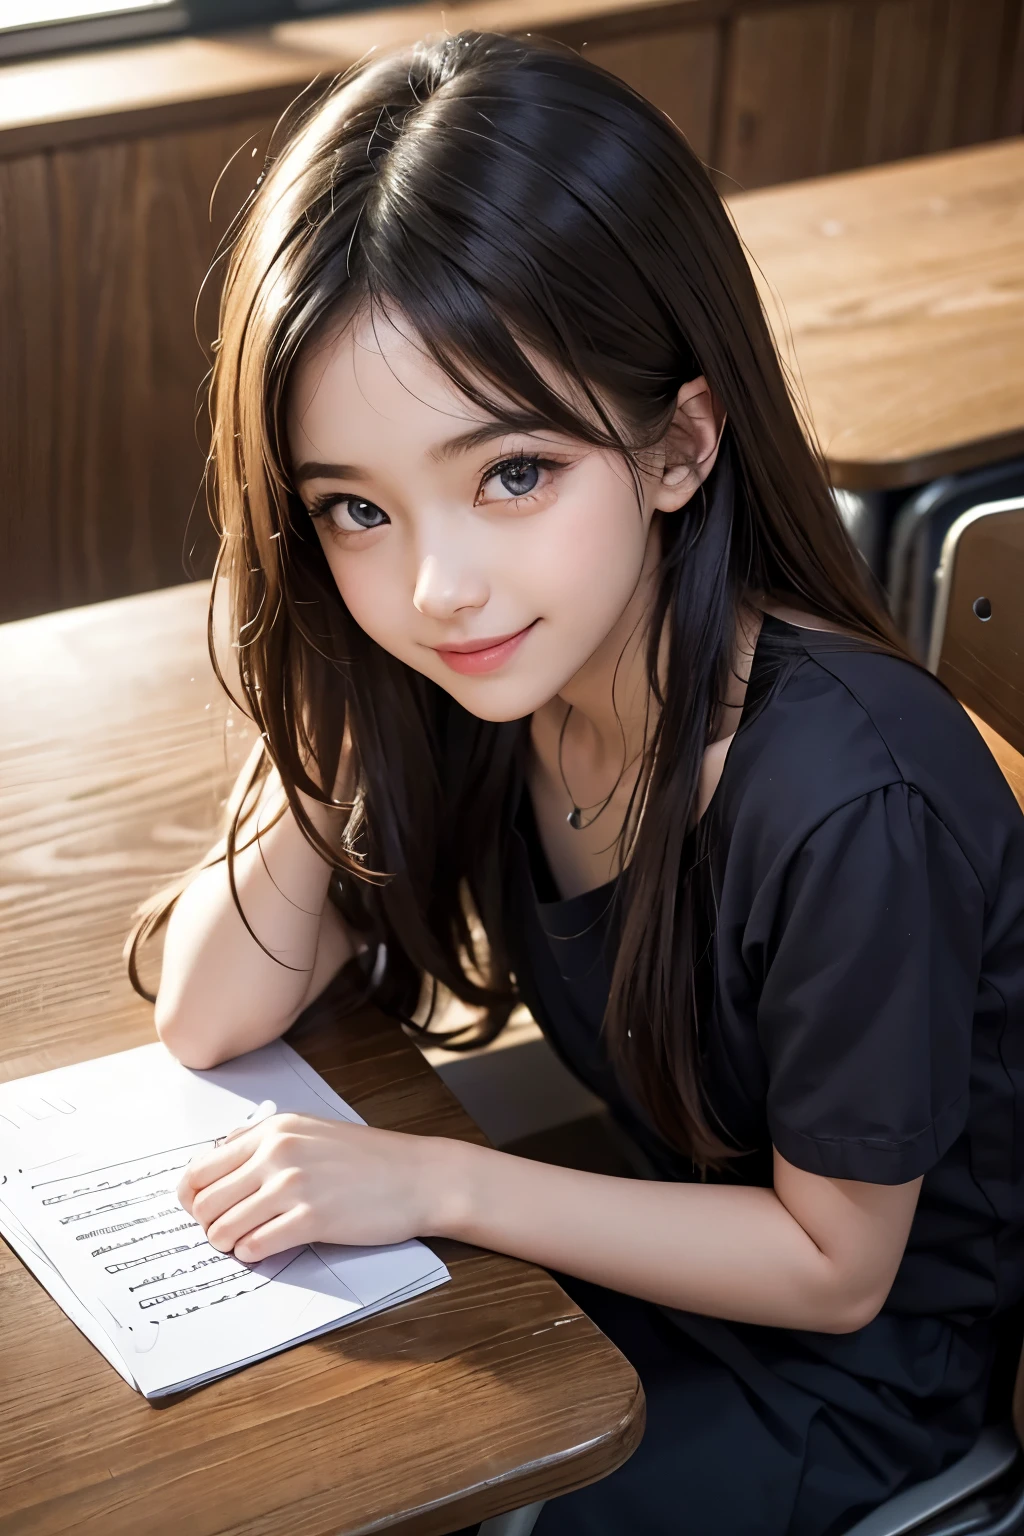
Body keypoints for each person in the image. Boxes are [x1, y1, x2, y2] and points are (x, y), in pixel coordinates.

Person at [128, 30, 1024, 1536]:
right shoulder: (495, 669)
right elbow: (208, 1011)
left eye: (514, 474)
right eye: (354, 507)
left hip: (859, 1390)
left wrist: (438, 1186)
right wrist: (346, 695)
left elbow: (837, 1267)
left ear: (678, 445)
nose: (436, 585)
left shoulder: (847, 797)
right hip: (643, 1284)